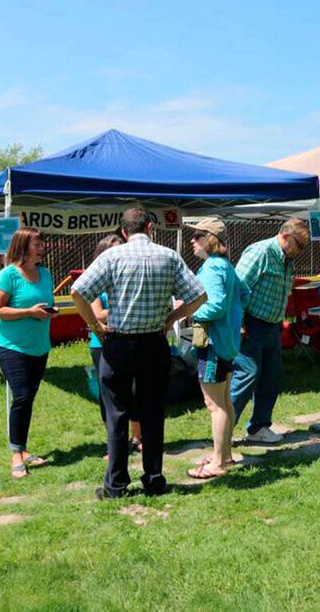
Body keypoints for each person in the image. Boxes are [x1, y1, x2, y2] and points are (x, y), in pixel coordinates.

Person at [72, 209, 207, 499]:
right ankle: (154, 479)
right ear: (149, 227)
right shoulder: (169, 255)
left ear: (123, 232)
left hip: (118, 343)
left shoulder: (110, 257)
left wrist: (95, 326)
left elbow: (77, 292)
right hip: (154, 343)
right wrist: (172, 318)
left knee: (117, 414)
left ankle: (116, 484)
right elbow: (200, 295)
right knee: (152, 412)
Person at [230, 218, 310, 443]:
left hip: (272, 326)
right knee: (247, 375)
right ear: (285, 237)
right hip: (251, 325)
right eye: (299, 246)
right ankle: (223, 432)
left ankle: (258, 427)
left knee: (271, 377)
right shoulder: (260, 252)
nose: (301, 251)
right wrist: (239, 324)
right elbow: (237, 289)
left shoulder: (287, 258)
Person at [0, 227, 55, 479]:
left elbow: (42, 302)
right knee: (22, 396)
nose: (42, 247)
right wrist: (28, 312)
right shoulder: (8, 275)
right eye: (37, 244)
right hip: (12, 347)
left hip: (39, 346)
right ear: (24, 247)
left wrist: (48, 311)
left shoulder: (45, 274)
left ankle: (23, 449)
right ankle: (16, 455)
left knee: (29, 398)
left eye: (41, 243)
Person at [185, 218, 249, 480]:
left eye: (197, 235)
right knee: (224, 400)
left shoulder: (212, 267)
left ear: (209, 239)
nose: (192, 240)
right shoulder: (226, 265)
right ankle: (226, 454)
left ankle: (218, 463)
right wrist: (235, 321)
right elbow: (244, 295)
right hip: (227, 342)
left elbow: (215, 307)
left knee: (214, 405)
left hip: (212, 344)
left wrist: (188, 310)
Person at [88, 234, 141, 461]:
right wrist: (128, 306)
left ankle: (138, 438)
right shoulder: (95, 279)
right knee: (110, 395)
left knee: (135, 390)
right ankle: (114, 443)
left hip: (132, 338)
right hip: (102, 343)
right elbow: (96, 313)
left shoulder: (131, 275)